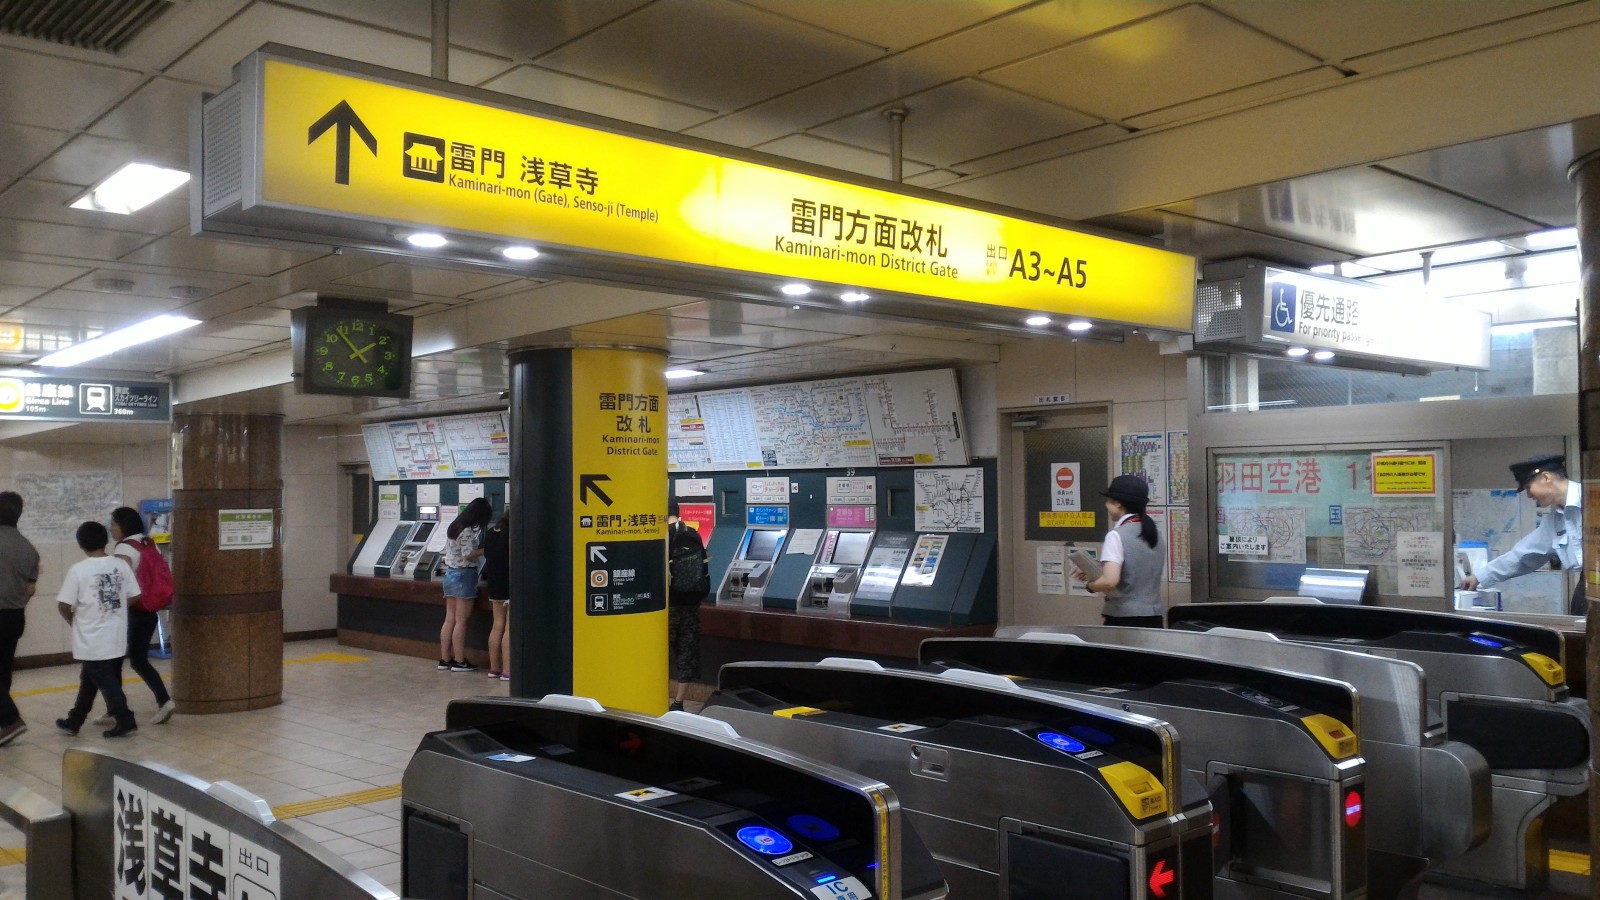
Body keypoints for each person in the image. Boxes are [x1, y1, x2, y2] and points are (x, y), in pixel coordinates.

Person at [1460, 454, 1584, 614]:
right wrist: (1479, 577)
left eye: (1528, 487)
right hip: (1588, 584)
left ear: (1546, 477)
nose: (1529, 495)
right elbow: (1523, 556)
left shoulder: (1591, 498)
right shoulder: (1556, 520)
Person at [55, 521, 139, 739]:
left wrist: (75, 622)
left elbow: (64, 605)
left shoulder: (78, 570)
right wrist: (115, 608)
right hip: (116, 635)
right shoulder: (120, 565)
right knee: (90, 678)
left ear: (81, 544)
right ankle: (74, 721)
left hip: (90, 637)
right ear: (106, 540)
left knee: (104, 680)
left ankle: (126, 719)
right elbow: (134, 595)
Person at [108, 507, 176, 725]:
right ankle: (113, 707)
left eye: (114, 524)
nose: (112, 529)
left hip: (132, 610)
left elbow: (119, 584)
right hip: (149, 609)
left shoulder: (124, 549)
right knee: (132, 659)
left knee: (132, 660)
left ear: (123, 526)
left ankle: (164, 700)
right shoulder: (148, 542)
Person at [1081, 474, 1165, 627]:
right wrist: (1095, 571)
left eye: (1108, 501)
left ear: (1118, 503)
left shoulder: (1116, 535)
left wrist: (1090, 585)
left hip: (1124, 619)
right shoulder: (1155, 533)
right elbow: (1137, 571)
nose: (1106, 505)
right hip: (1154, 617)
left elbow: (1109, 582)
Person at [0, 492, 38, 747]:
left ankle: (11, 719)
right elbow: (30, 589)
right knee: (3, 669)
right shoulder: (28, 548)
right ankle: (6, 723)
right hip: (15, 616)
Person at [439, 497, 491, 672]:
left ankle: (445, 659)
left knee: (450, 619)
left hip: (451, 574)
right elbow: (468, 554)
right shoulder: (467, 531)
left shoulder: (454, 527)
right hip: (464, 576)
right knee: (461, 621)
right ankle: (460, 661)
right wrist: (487, 548)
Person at [666, 500, 709, 712]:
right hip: (691, 603)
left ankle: (656, 697)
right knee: (686, 652)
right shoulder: (694, 534)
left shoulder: (662, 536)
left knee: (661, 652)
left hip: (669, 606)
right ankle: (679, 702)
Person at [481, 509, 511, 681]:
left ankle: (494, 668)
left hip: (494, 585)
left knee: (497, 625)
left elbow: (486, 554)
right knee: (509, 628)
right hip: (510, 584)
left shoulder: (493, 532)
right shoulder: (514, 534)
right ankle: (508, 670)